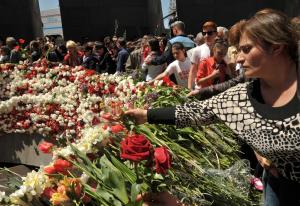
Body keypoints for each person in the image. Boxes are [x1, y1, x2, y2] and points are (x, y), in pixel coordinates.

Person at [126, 9, 300, 205]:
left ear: (276, 47)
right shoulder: (244, 96)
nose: (239, 58)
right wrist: (146, 115)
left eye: (247, 49)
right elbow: (198, 112)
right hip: (277, 185)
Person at [188, 21, 218, 90]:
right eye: (204, 33)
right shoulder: (197, 50)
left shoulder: (222, 49)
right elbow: (192, 71)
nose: (206, 35)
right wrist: (189, 89)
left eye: (209, 33)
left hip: (218, 88)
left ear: (216, 33)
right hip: (201, 89)